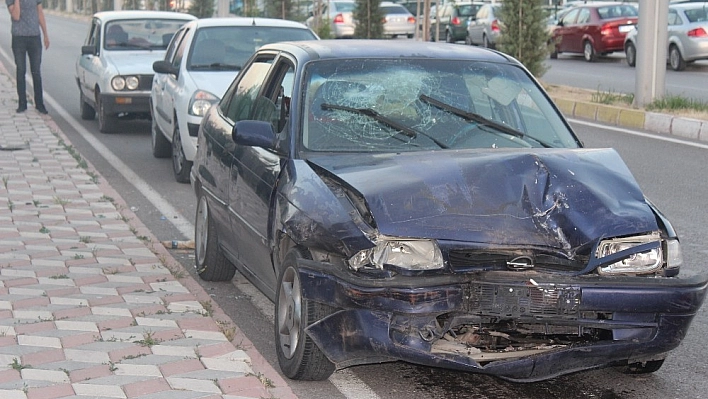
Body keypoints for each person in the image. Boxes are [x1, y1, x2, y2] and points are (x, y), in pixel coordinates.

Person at [6, 0, 50, 114]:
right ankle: (22, 103)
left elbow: (40, 13)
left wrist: (45, 34)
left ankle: (39, 104)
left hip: (34, 37)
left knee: (36, 71)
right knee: (21, 70)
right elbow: (16, 15)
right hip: (19, 38)